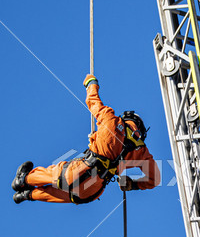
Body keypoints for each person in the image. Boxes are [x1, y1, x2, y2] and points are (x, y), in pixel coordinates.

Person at [12, 74, 161, 204]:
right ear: (140, 132)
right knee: (62, 194)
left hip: (79, 171)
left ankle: (23, 180)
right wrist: (132, 184)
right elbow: (155, 179)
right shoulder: (142, 151)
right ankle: (26, 195)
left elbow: (93, 101)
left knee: (55, 175)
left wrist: (91, 83)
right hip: (91, 192)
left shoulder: (112, 120)